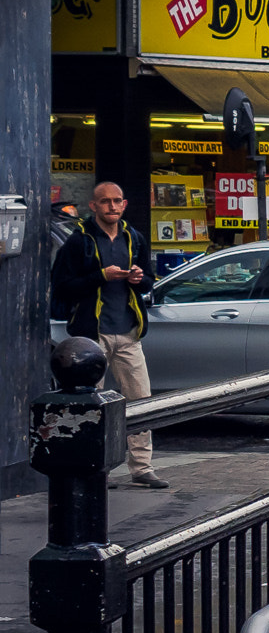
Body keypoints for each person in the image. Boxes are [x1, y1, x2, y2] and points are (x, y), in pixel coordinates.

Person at [51, 180, 165, 489]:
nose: (112, 206)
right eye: (105, 202)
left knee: (141, 400)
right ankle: (94, 467)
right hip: (91, 337)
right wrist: (100, 276)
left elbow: (148, 281)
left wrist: (140, 279)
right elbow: (61, 286)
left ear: (125, 205)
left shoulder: (134, 238)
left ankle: (142, 467)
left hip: (128, 332)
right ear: (94, 206)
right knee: (92, 404)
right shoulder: (80, 241)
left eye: (117, 201)